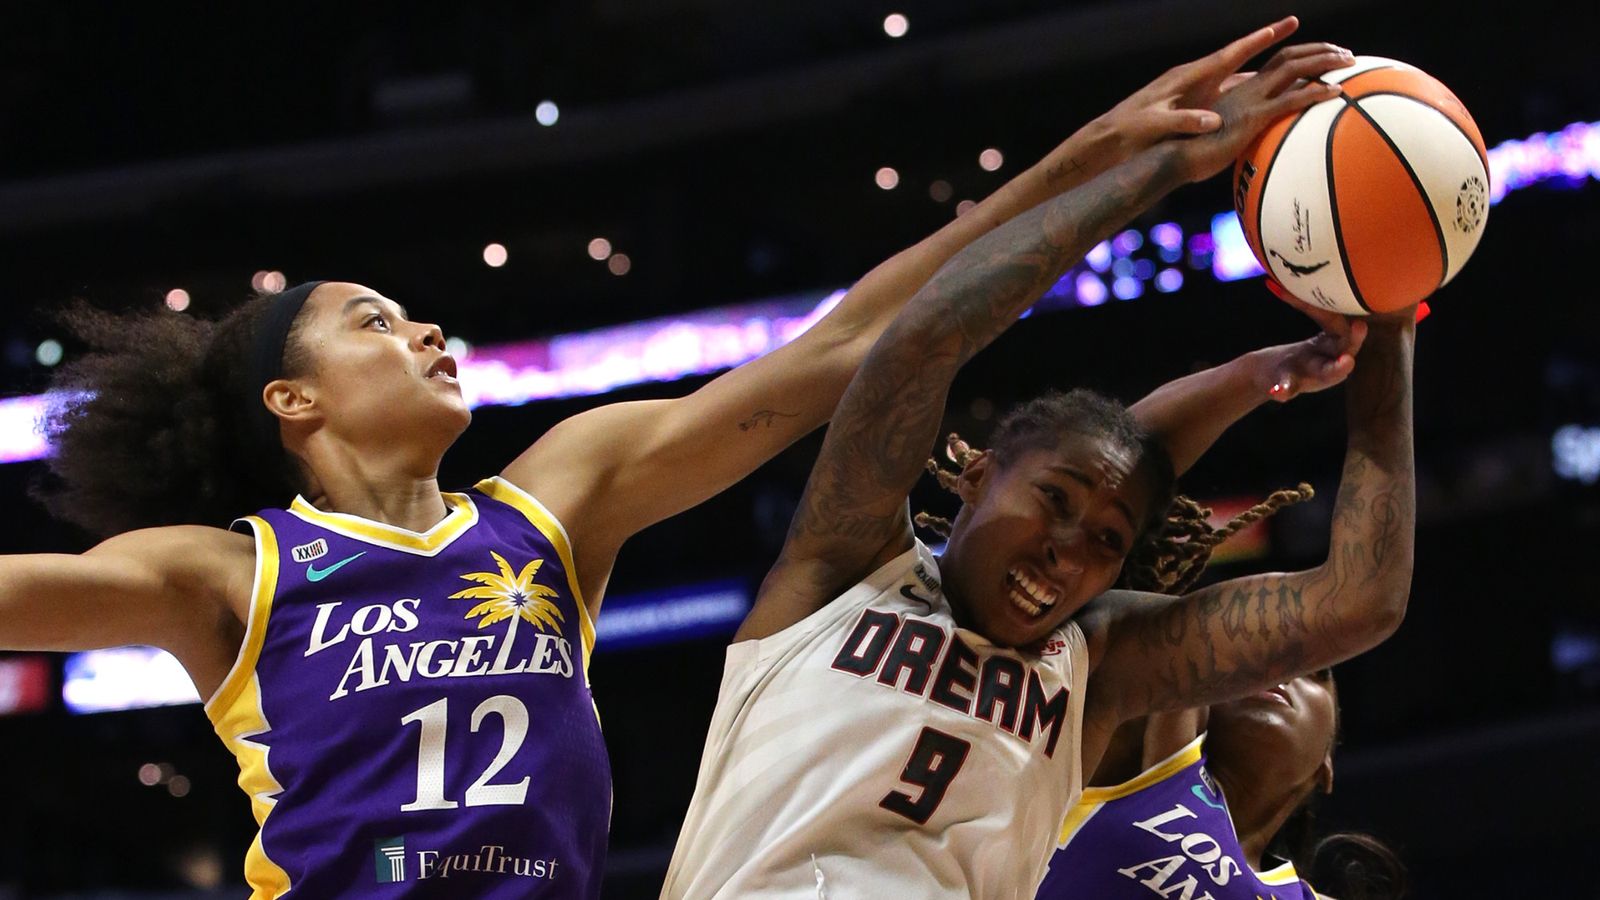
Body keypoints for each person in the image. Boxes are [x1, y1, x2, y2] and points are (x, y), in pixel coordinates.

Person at [0, 20, 1295, 898]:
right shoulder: (228, 576)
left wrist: (1112, 162)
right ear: (292, 399)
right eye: (373, 321)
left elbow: (856, 339)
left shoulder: (553, 505)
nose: (427, 328)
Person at [661, 24, 1415, 898]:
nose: (1069, 550)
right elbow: (927, 335)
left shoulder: (1094, 664)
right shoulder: (842, 569)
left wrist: (1388, 317)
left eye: (1105, 541)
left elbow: (1359, 603)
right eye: (1053, 501)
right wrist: (1165, 168)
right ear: (975, 473)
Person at [1036, 669, 1408, 900]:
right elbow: (1172, 634)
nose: (1277, 666)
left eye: (1314, 670)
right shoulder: (1137, 761)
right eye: (1258, 653)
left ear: (1327, 763)